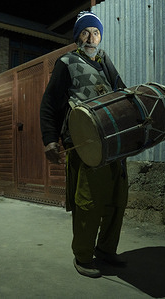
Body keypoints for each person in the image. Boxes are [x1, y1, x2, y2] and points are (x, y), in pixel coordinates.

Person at [40, 11, 129, 278]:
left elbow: (122, 93)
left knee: (117, 199)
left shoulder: (106, 63)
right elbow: (49, 103)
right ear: (78, 36)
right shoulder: (66, 62)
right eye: (86, 32)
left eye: (96, 32)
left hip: (113, 142)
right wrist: (49, 140)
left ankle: (106, 250)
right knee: (88, 201)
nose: (92, 38)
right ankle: (83, 256)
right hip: (83, 141)